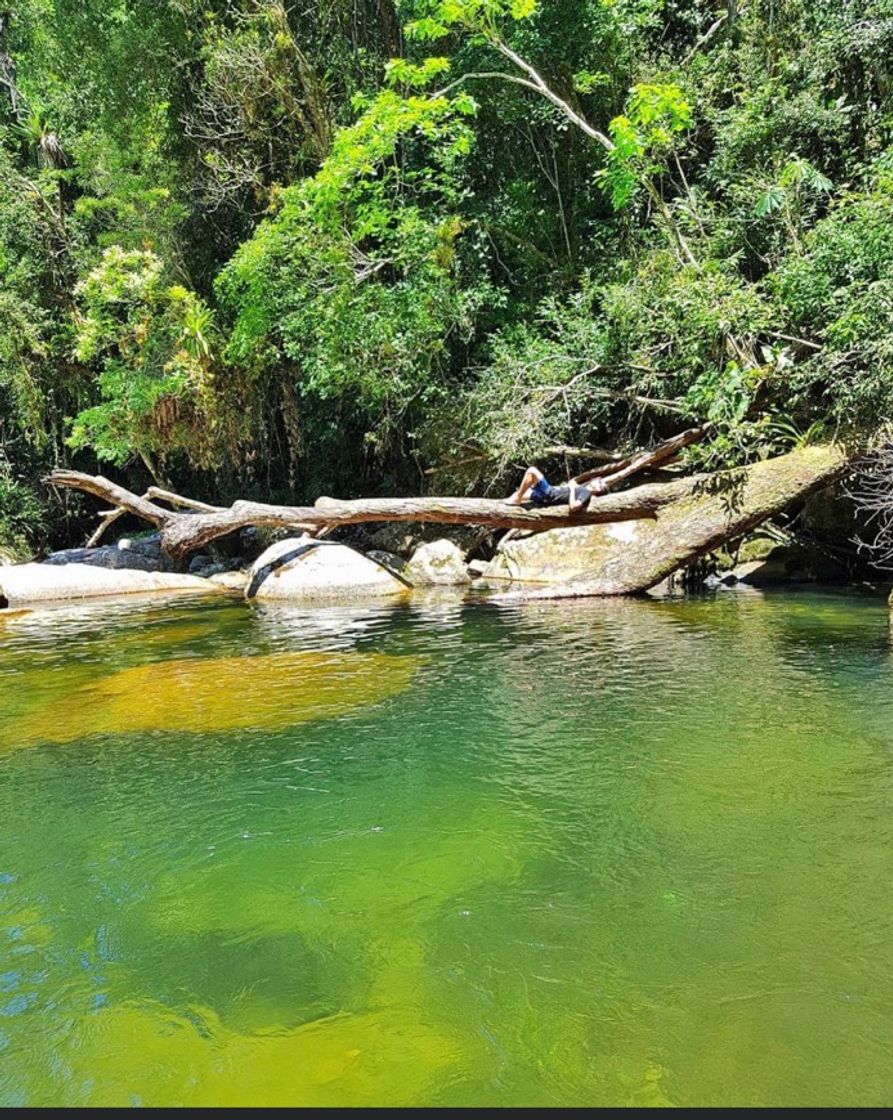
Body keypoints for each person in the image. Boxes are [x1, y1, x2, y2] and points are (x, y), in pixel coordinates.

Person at [506, 465, 608, 510]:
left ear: (598, 491)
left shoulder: (586, 493)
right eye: (599, 480)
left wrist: (572, 488)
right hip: (549, 496)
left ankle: (517, 500)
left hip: (550, 494)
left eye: (600, 484)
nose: (597, 481)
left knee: (532, 471)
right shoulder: (583, 489)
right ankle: (511, 500)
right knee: (519, 493)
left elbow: (573, 507)